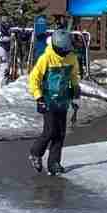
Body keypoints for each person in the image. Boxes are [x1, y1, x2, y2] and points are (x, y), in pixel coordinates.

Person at [26, 27, 82, 175]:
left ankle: (54, 163)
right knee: (50, 131)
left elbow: (74, 75)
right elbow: (34, 78)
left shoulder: (71, 57)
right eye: (65, 49)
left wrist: (75, 88)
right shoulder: (46, 58)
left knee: (60, 133)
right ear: (58, 47)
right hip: (48, 99)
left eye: (68, 48)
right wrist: (39, 97)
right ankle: (35, 153)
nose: (67, 51)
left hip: (63, 99)